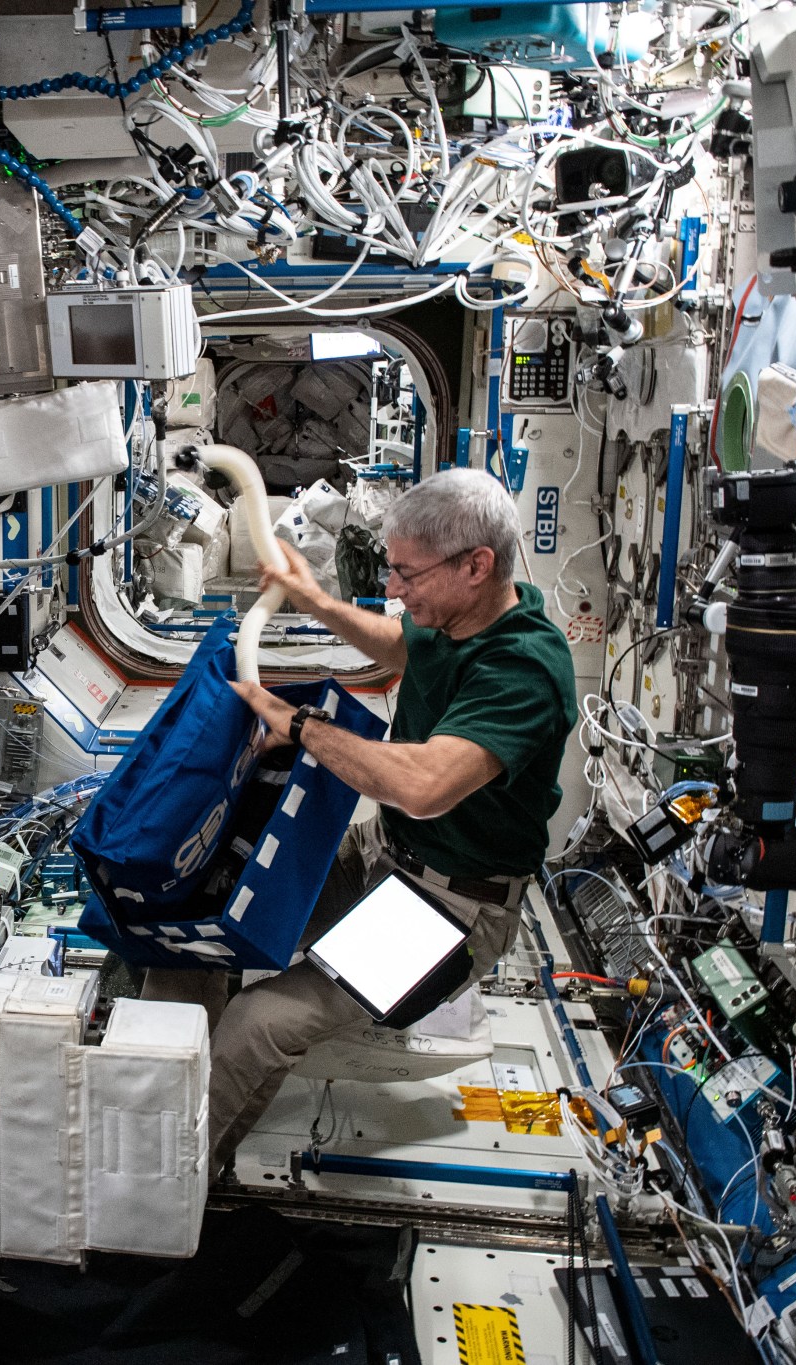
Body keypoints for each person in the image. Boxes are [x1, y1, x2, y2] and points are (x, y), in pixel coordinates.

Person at [160, 467, 579, 1174]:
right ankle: (162, 1094)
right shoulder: (465, 616)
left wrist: (300, 724)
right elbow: (400, 647)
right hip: (386, 851)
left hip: (451, 906)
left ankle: (173, 1190)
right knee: (208, 929)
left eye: (408, 573)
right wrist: (314, 599)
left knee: (259, 1023)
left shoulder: (525, 669)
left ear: (476, 566)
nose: (395, 589)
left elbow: (424, 787)